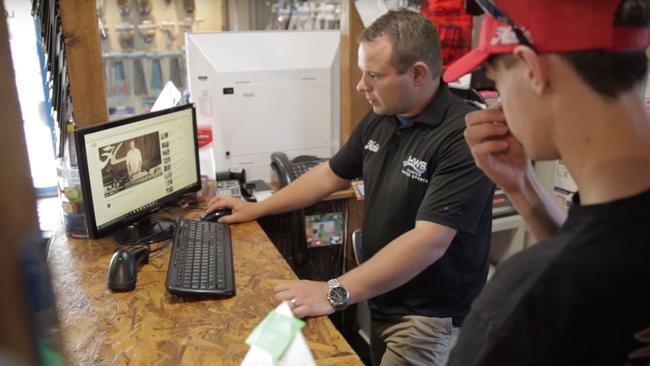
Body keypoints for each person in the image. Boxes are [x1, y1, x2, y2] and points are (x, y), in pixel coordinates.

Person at [207, 9, 494, 365]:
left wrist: (334, 291)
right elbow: (330, 174)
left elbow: (428, 242)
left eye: (374, 74)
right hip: (382, 298)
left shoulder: (461, 135)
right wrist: (258, 208)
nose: (362, 85)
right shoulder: (382, 117)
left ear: (418, 73)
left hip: (427, 317)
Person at [441, 0, 650, 364]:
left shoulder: (524, 304)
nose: (498, 102)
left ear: (531, 69)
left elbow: (578, 272)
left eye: (497, 81)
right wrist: (523, 187)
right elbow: (603, 268)